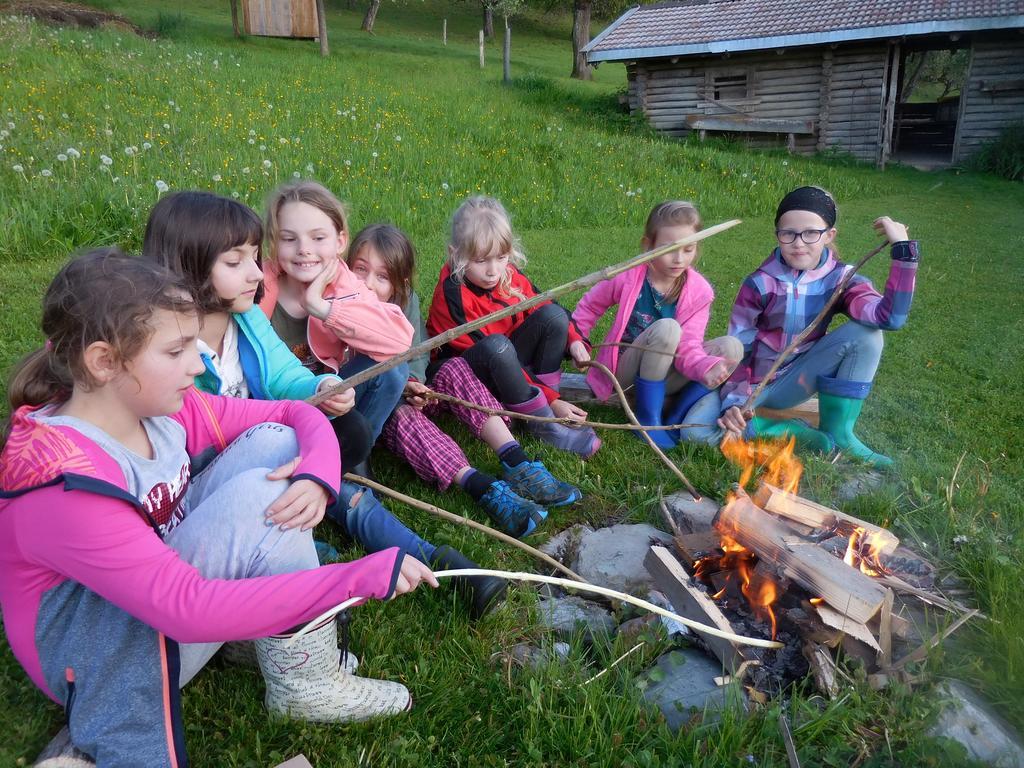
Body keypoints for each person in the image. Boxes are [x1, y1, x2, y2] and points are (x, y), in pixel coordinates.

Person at [0, 250, 438, 766]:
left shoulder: (154, 407)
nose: (199, 364)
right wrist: (354, 577)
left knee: (272, 442)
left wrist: (319, 472)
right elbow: (187, 610)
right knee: (264, 493)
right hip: (105, 658)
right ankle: (307, 682)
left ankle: (282, 658)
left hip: (150, 592)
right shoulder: (65, 486)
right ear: (104, 362)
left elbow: (291, 412)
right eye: (177, 351)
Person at [260, 181, 506, 618]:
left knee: (389, 369)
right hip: (284, 426)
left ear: (338, 242)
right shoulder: (261, 292)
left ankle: (348, 470)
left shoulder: (344, 283)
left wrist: (322, 304)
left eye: (318, 238)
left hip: (336, 416)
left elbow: (399, 340)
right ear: (272, 241)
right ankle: (436, 561)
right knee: (349, 498)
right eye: (289, 238)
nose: (304, 251)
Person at [347, 223, 581, 538]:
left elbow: (419, 349)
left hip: (413, 389)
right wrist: (402, 390)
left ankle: (518, 461)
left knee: (454, 368)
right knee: (403, 418)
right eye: (360, 270)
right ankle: (481, 487)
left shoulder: (406, 301)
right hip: (379, 411)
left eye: (383, 276)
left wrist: (416, 381)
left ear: (400, 283)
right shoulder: (341, 308)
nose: (369, 284)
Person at [142, 190, 374, 474]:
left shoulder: (248, 318)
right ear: (186, 264)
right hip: (202, 460)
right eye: (233, 262)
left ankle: (313, 484)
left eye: (254, 258)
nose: (257, 273)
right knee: (291, 441)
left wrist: (321, 388)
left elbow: (283, 375)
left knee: (350, 430)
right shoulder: (165, 343)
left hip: (257, 437)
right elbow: (194, 420)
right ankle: (333, 494)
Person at [714, 186, 919, 467]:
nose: (799, 243)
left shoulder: (841, 279)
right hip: (757, 388)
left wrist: (903, 253)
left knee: (868, 335)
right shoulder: (760, 283)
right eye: (789, 234)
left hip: (798, 380)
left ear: (829, 235)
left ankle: (841, 434)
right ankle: (772, 429)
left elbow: (889, 318)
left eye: (811, 233)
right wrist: (736, 403)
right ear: (778, 235)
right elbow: (740, 345)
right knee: (709, 426)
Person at [426, 196, 600, 459]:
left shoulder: (508, 274)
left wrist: (575, 341)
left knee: (552, 316)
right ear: (456, 254)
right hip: (473, 375)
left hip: (509, 361)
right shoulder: (452, 294)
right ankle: (544, 423)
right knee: (498, 346)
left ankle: (535, 406)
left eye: (501, 257)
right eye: (481, 260)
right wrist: (552, 399)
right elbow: (483, 350)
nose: (493, 270)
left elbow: (546, 305)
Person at [571, 201, 743, 448]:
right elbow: (590, 305)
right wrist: (578, 340)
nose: (678, 259)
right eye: (668, 249)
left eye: (688, 249)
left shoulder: (699, 291)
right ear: (647, 245)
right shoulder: (629, 276)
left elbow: (689, 345)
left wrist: (706, 366)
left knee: (732, 348)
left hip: (670, 369)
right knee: (668, 327)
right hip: (626, 373)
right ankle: (647, 421)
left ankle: (674, 418)